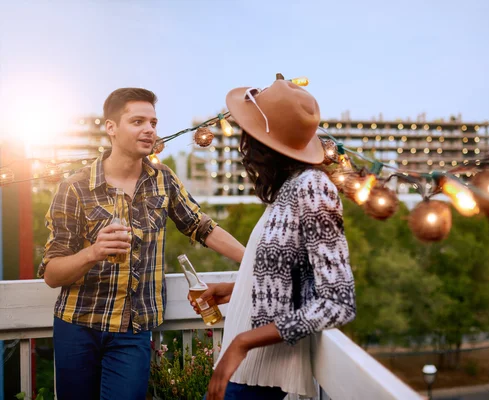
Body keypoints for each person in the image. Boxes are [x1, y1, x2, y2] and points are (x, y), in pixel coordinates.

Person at [38, 88, 246, 400]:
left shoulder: (163, 180)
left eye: (153, 122)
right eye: (137, 121)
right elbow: (52, 274)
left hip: (134, 330)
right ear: (112, 128)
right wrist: (94, 252)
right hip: (78, 327)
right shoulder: (75, 187)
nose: (149, 129)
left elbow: (202, 227)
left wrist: (255, 260)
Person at [188, 78, 357, 400]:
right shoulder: (288, 190)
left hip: (260, 374)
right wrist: (232, 291)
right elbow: (288, 276)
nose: (242, 142)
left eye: (247, 131)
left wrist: (243, 342)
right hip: (245, 370)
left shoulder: (312, 187)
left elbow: (338, 302)